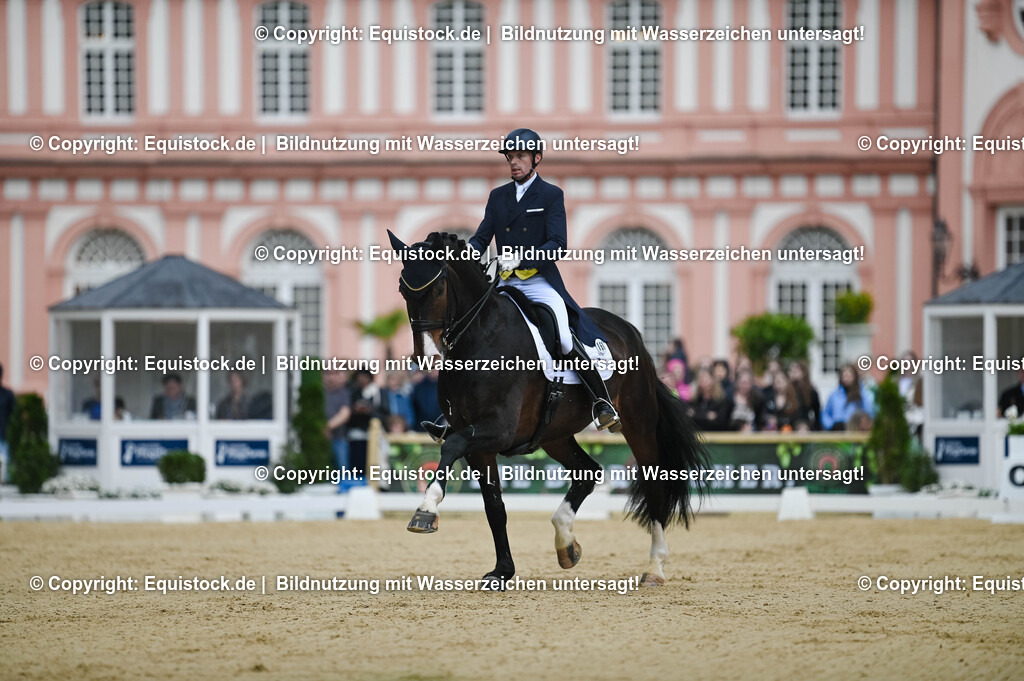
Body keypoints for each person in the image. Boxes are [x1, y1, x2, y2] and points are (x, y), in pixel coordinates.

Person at [467, 127, 620, 432]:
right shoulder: (498, 197)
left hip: (538, 281)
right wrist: (466, 253)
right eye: (510, 157)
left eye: (520, 157)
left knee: (563, 336)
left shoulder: (551, 195)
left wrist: (522, 257)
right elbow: (482, 237)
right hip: (505, 283)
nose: (514, 162)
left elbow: (557, 244)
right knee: (473, 331)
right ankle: (456, 412)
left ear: (536, 158)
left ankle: (601, 402)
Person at [821, 363, 876, 431]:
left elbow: (869, 413)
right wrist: (831, 425)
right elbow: (826, 414)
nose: (846, 378)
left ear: (855, 377)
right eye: (844, 376)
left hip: (854, 430)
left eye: (849, 376)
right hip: (837, 431)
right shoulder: (834, 395)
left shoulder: (862, 395)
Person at [323, 370, 352, 487]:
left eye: (334, 374)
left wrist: (327, 427)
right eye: (328, 374)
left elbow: (344, 414)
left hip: (339, 438)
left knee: (342, 469)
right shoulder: (320, 392)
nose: (331, 377)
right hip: (321, 440)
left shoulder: (343, 393)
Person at [788, 360, 822, 431]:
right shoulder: (787, 389)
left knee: (802, 428)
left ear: (803, 372)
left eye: (796, 369)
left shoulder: (811, 392)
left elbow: (817, 413)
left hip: (804, 425)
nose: (793, 372)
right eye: (791, 370)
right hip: (788, 423)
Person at [0, 363, 14, 483]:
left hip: (3, 429)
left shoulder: (7, 394)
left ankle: (5, 479)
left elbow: (13, 412)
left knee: (5, 457)